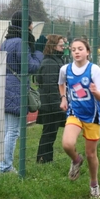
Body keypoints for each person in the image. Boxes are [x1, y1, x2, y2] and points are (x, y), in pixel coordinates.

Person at [58, 38, 100, 199]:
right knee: (67, 144)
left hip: (92, 116)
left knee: (91, 154)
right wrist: (64, 98)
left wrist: (95, 92)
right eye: (73, 49)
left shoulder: (94, 70)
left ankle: (94, 184)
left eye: (80, 49)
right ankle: (76, 160)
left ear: (88, 51)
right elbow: (61, 83)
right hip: (75, 112)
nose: (77, 52)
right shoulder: (65, 69)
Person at [0, 10, 44, 173]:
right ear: (26, 25)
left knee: (7, 129)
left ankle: (3, 165)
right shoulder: (21, 42)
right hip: (16, 89)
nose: (32, 26)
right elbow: (30, 66)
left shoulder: (6, 42)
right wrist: (39, 52)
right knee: (13, 131)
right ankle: (5, 167)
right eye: (30, 23)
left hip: (5, 86)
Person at [35, 34, 67, 163]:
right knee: (48, 133)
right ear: (53, 46)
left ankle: (46, 158)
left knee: (51, 133)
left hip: (54, 103)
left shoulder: (57, 60)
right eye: (60, 45)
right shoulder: (49, 62)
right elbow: (51, 87)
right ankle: (43, 159)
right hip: (50, 105)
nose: (63, 47)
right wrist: (57, 106)